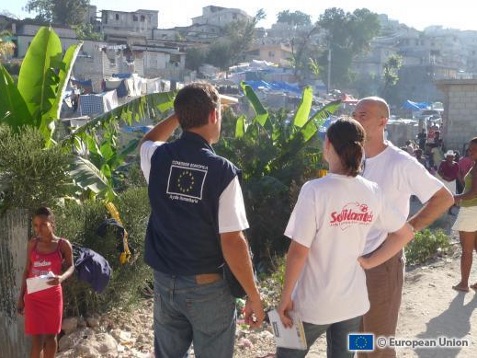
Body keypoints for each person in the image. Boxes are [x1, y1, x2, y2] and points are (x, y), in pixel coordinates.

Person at [139, 82, 264, 357]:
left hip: (164, 281)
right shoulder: (223, 172)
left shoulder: (158, 157)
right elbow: (232, 241)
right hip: (207, 288)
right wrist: (253, 296)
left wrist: (181, 114)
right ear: (214, 116)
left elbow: (147, 140)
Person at [276, 118, 414, 358]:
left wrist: (284, 298)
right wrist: (370, 262)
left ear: (327, 144)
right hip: (354, 303)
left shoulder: (314, 190)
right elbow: (405, 233)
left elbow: (299, 251)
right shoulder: (372, 190)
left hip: (310, 304)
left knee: (287, 354)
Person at [352, 97, 453, 358]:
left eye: (362, 115)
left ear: (383, 121)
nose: (355, 119)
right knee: (361, 339)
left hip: (382, 263)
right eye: (353, 114)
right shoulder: (354, 160)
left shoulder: (400, 162)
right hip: (352, 263)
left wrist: (406, 230)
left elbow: (443, 198)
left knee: (379, 344)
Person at [16, 207, 74, 358]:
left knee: (51, 337)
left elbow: (71, 266)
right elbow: (27, 270)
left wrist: (62, 278)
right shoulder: (33, 244)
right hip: (33, 296)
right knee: (36, 341)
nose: (38, 229)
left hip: (53, 296)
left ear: (52, 223)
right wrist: (21, 298)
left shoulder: (63, 244)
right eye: (35, 225)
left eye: (43, 224)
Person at [451, 137, 477, 292]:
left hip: (470, 211)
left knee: (466, 251)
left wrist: (455, 197)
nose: (470, 151)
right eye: (469, 149)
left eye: (474, 149)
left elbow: (473, 192)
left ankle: (463, 284)